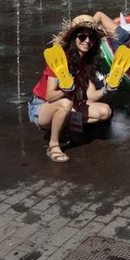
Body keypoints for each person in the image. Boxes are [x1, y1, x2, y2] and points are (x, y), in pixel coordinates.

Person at [27, 15, 114, 163]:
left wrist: (107, 88)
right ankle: (53, 145)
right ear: (74, 38)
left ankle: (64, 126)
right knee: (65, 103)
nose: (87, 40)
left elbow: (91, 95)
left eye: (91, 37)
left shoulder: (87, 62)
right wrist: (66, 90)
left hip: (68, 103)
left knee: (105, 111)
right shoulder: (59, 60)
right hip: (41, 107)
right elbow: (50, 96)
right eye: (82, 36)